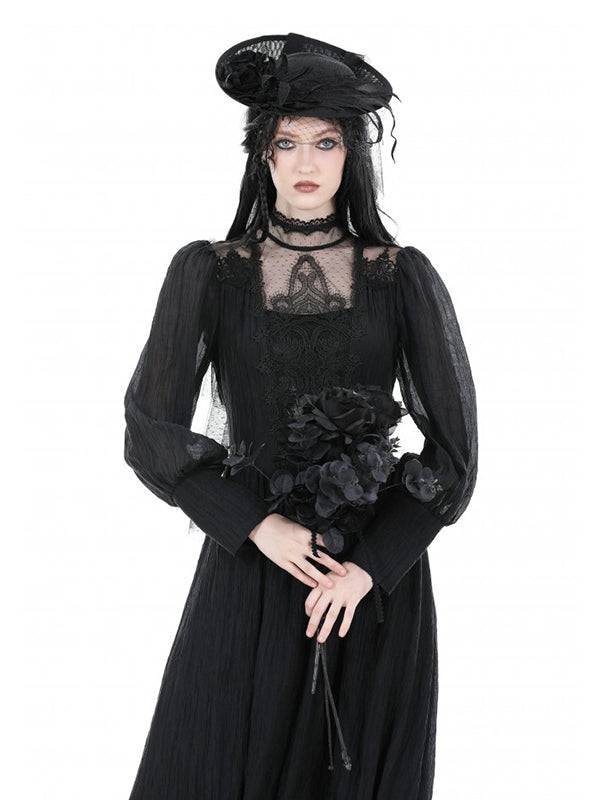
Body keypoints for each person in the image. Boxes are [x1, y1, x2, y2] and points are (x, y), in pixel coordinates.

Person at [123, 32, 478, 800]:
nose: (306, 162)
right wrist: (255, 524)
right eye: (287, 142)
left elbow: (454, 455)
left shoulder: (399, 277)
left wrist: (371, 568)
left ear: (353, 155)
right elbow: (150, 427)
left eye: (326, 142)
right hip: (249, 566)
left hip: (369, 588)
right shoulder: (210, 275)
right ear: (263, 154)